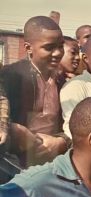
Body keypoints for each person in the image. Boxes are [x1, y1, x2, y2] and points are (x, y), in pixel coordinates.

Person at [0, 16, 69, 168]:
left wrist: (61, 141)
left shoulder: (62, 81)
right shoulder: (11, 76)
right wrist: (13, 131)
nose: (58, 53)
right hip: (15, 162)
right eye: (49, 47)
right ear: (28, 48)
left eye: (61, 46)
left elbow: (71, 123)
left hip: (52, 161)